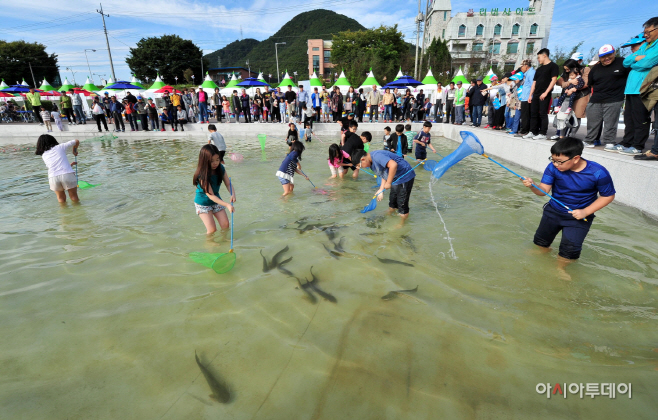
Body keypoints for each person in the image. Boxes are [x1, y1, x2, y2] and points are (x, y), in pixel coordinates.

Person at [521, 137, 615, 279]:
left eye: (560, 161)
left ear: (576, 158)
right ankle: (543, 252)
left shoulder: (598, 172)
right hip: (553, 211)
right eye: (552, 160)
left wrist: (586, 211)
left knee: (570, 249)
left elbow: (608, 196)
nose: (555, 164)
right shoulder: (553, 167)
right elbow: (543, 191)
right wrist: (533, 186)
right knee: (541, 240)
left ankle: (560, 268)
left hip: (579, 216)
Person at [619, 17, 658, 156]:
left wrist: (636, 62)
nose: (645, 34)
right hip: (631, 88)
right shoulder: (644, 46)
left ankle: (637, 145)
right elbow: (626, 62)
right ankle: (627, 142)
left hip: (643, 88)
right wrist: (636, 58)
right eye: (644, 32)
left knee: (640, 118)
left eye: (648, 31)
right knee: (629, 118)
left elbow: (647, 63)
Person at [352, 148, 416, 223]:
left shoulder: (377, 156)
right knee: (392, 201)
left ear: (363, 159)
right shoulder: (371, 163)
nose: (363, 168)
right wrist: (381, 189)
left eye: (360, 165)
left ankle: (402, 222)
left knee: (402, 203)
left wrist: (388, 183)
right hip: (394, 177)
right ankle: (391, 212)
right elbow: (384, 173)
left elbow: (393, 165)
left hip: (404, 176)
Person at [584, 45, 630, 149]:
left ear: (614, 53)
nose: (607, 58)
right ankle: (589, 140)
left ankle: (609, 141)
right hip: (596, 99)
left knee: (611, 123)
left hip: (614, 99)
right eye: (603, 56)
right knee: (592, 122)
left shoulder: (622, 62)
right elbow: (591, 83)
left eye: (609, 55)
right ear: (599, 57)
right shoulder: (595, 68)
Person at [193, 144, 235, 235]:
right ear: (204, 161)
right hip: (202, 203)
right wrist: (227, 205)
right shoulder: (202, 174)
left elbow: (228, 183)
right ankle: (211, 246)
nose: (215, 163)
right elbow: (211, 195)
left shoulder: (220, 168)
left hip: (216, 200)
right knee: (212, 230)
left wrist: (233, 194)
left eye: (217, 159)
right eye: (212, 161)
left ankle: (224, 241)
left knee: (225, 225)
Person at [524, 48, 559, 140]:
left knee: (543, 113)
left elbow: (554, 80)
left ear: (544, 55)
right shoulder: (539, 69)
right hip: (536, 94)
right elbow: (534, 83)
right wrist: (530, 95)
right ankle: (533, 131)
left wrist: (546, 92)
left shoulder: (553, 66)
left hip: (545, 93)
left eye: (539, 57)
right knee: (533, 113)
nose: (538, 59)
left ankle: (543, 133)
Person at [35, 134, 80, 203]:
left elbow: (55, 166)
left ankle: (64, 213)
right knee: (73, 197)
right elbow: (76, 141)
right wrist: (74, 150)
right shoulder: (60, 147)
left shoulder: (43, 154)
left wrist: (69, 165)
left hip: (53, 177)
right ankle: (78, 213)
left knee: (61, 199)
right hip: (67, 175)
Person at [515, 60, 536, 136]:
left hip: (528, 97)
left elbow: (533, 85)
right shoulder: (526, 74)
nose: (521, 69)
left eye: (521, 67)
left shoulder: (531, 73)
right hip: (524, 97)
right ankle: (524, 130)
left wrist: (530, 96)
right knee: (524, 115)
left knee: (526, 116)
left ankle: (525, 131)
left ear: (526, 66)